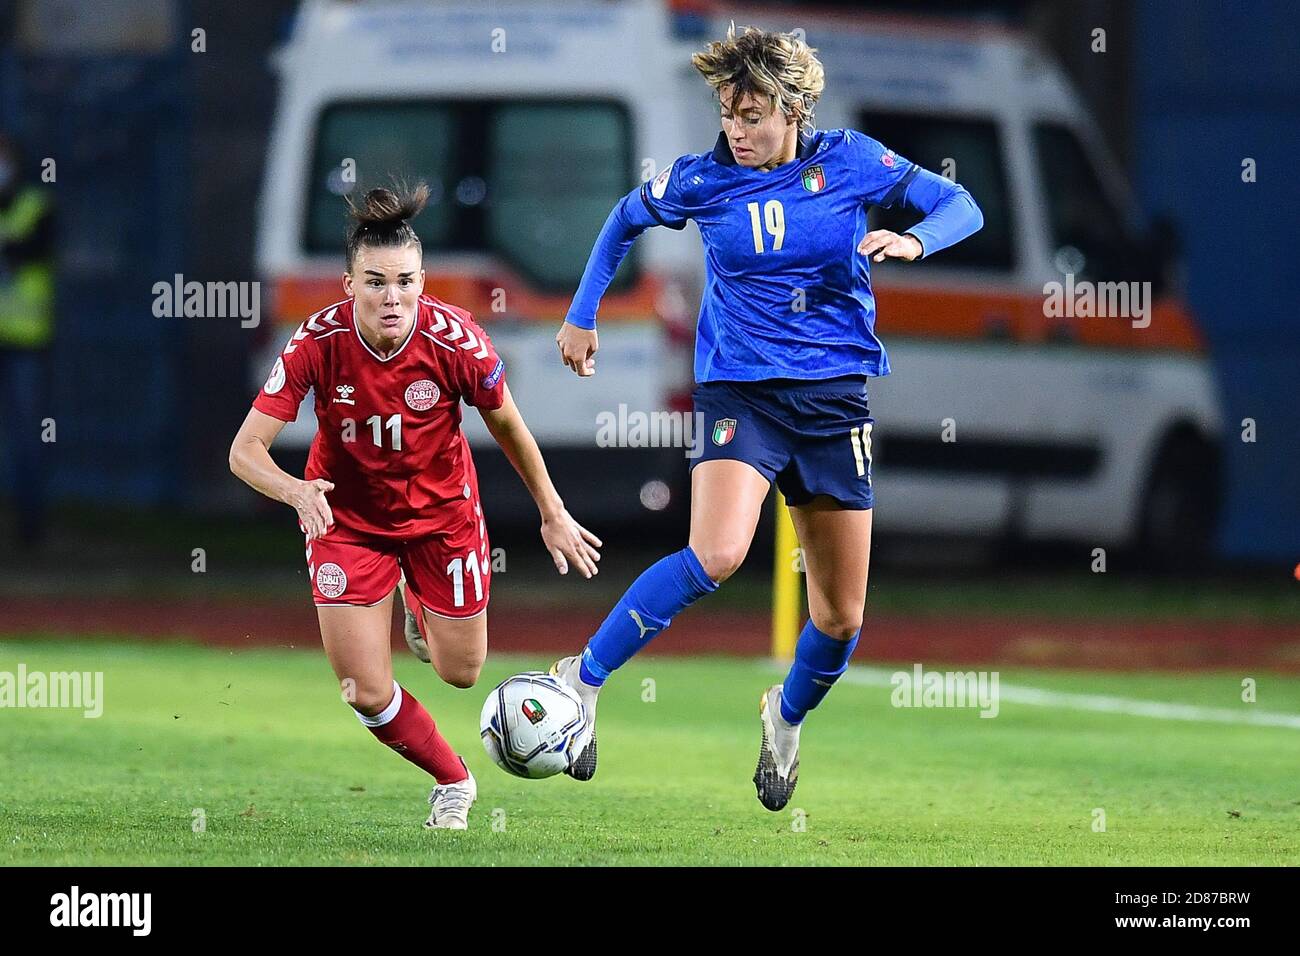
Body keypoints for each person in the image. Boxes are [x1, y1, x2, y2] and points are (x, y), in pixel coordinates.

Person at [550, 26, 983, 810]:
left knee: (840, 618)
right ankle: (580, 682)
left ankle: (784, 717)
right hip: (740, 393)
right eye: (727, 113)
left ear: (794, 110)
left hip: (834, 401)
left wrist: (916, 241)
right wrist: (583, 315)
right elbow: (623, 218)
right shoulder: (702, 179)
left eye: (751, 115)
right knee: (716, 554)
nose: (736, 130)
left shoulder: (852, 162)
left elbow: (962, 204)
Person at [229, 184, 601, 829]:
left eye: (404, 282)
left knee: (462, 672)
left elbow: (509, 426)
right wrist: (295, 491)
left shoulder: (456, 342)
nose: (391, 297)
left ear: (422, 282)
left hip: (443, 518)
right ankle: (453, 781)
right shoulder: (316, 342)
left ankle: (415, 597)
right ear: (349, 285)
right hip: (344, 521)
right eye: (375, 283)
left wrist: (552, 511)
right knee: (365, 690)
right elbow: (244, 451)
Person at [0, 132, 55, 548]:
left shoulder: (36, 206)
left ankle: (31, 528)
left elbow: (35, 248)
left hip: (26, 343)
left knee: (27, 440)